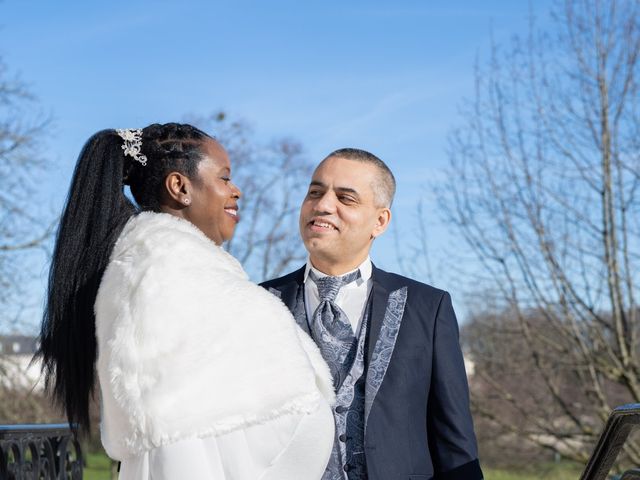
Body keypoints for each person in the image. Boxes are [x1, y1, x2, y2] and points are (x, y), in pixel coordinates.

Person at [38, 123, 335, 480]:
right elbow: (180, 447)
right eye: (224, 178)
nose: (236, 191)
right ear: (179, 187)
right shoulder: (169, 281)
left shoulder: (166, 272)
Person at [261, 148, 483, 480]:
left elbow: (455, 443)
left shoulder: (427, 307)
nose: (322, 205)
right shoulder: (259, 303)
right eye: (315, 192)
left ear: (380, 221)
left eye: (345, 198)